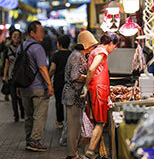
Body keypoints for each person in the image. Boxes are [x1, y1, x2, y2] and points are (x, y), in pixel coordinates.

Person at [18, 21, 54, 152]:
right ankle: (35, 141)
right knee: (39, 115)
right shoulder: (37, 48)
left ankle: (29, 139)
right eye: (40, 31)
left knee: (28, 115)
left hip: (24, 88)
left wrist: (17, 86)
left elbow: (17, 69)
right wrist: (49, 85)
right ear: (32, 33)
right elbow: (43, 67)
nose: (42, 34)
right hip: (38, 87)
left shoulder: (21, 47)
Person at [82, 32, 119, 159]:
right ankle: (91, 151)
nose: (114, 48)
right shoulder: (101, 52)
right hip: (99, 89)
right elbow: (92, 69)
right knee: (101, 122)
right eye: (114, 46)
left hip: (97, 89)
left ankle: (95, 150)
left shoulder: (96, 50)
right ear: (110, 43)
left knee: (98, 121)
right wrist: (86, 85)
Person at [63, 31, 98, 159]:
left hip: (76, 97)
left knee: (77, 126)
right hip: (72, 96)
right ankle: (72, 155)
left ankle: (75, 153)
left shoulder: (81, 55)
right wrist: (90, 77)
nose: (93, 47)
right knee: (73, 127)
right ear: (86, 44)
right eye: (92, 44)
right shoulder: (77, 56)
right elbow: (75, 76)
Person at [49, 35, 72, 129]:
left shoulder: (56, 55)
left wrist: (48, 78)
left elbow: (53, 68)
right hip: (69, 82)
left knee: (59, 102)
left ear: (59, 44)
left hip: (58, 82)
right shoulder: (71, 54)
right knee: (70, 102)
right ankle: (70, 120)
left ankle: (60, 121)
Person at [3, 29, 25, 122]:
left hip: (21, 76)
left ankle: (23, 112)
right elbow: (6, 63)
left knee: (21, 96)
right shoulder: (8, 49)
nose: (16, 38)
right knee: (13, 96)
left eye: (18, 35)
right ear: (11, 37)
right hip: (12, 76)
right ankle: (16, 115)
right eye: (14, 36)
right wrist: (4, 76)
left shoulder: (23, 48)